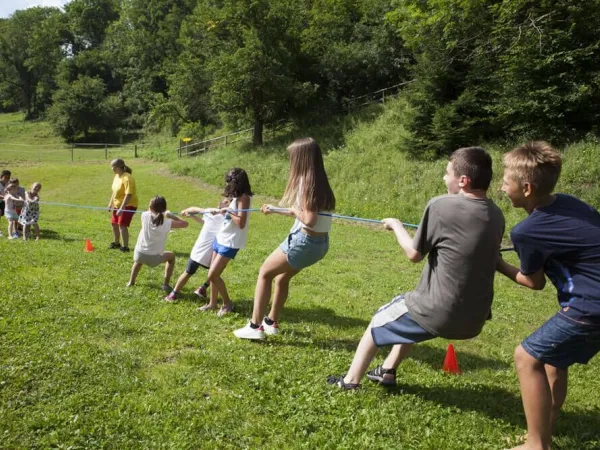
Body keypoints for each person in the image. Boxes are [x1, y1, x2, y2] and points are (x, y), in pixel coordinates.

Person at [326, 146, 505, 389]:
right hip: (475, 318)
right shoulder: (496, 214)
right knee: (409, 308)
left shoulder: (441, 205)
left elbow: (413, 254)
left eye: (447, 173)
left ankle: (349, 382)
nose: (444, 177)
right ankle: (387, 370)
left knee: (380, 319)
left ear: (463, 180)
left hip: (442, 314)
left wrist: (396, 225)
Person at [496, 141, 600, 450]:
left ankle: (536, 446)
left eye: (505, 181)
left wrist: (496, 262)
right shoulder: (569, 202)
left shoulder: (527, 231)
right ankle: (543, 431)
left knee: (527, 357)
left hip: (591, 305)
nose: (501, 187)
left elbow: (534, 282)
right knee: (554, 360)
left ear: (526, 188)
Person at [234, 137, 336, 340]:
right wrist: (276, 210)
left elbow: (309, 219)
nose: (291, 162)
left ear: (302, 160)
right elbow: (303, 212)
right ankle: (271, 322)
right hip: (320, 245)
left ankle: (255, 327)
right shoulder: (320, 182)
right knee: (282, 277)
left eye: (292, 158)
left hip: (304, 242)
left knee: (264, 273)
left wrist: (291, 209)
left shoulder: (306, 184)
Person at [166, 168, 252, 317]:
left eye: (229, 182)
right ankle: (212, 303)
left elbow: (241, 223)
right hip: (221, 238)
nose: (228, 185)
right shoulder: (237, 197)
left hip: (230, 242)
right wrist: (223, 211)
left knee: (212, 274)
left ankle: (227, 303)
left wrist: (227, 211)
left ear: (237, 182)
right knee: (213, 274)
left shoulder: (244, 198)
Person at [165, 198, 230, 303]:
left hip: (200, 251)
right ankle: (202, 288)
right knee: (213, 273)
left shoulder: (212, 212)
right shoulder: (227, 218)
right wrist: (191, 215)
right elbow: (205, 221)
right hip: (211, 252)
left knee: (189, 272)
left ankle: (174, 294)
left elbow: (194, 209)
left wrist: (187, 211)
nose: (225, 202)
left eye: (227, 201)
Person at [127, 196, 188, 291]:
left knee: (138, 262)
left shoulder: (144, 215)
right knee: (171, 257)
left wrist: (161, 211)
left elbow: (150, 211)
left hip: (139, 254)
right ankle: (166, 285)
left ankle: (131, 282)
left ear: (150, 207)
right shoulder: (167, 222)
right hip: (155, 258)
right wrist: (171, 215)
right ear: (164, 208)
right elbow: (185, 224)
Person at [107, 159, 138, 252]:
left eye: (112, 166)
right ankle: (116, 243)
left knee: (122, 225)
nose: (111, 168)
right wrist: (110, 203)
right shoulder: (116, 176)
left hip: (128, 205)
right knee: (114, 223)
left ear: (117, 167)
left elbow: (129, 194)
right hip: (118, 205)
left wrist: (122, 208)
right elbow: (114, 192)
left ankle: (125, 247)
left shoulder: (127, 178)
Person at [0, 169, 11, 237]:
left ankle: (17, 229)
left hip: (4, 202)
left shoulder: (9, 183)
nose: (7, 179)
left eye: (8, 177)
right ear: (1, 176)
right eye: (5, 177)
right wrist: (5, 197)